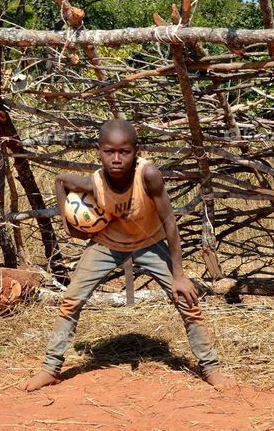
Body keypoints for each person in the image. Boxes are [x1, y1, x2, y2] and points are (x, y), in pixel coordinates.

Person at [18, 118, 235, 391]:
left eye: (125, 151)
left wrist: (179, 274)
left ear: (137, 150)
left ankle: (210, 367)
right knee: (71, 300)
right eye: (109, 151)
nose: (116, 158)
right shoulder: (93, 182)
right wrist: (69, 226)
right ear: (99, 150)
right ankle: (50, 368)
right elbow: (61, 181)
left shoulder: (148, 175)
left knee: (188, 300)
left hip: (150, 242)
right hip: (107, 244)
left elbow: (169, 222)